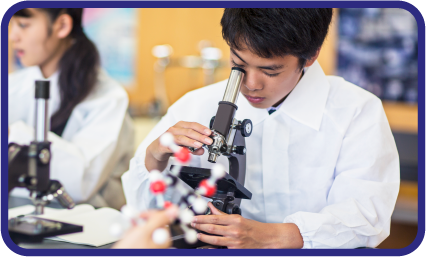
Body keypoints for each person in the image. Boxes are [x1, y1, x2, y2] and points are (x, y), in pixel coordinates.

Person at [122, 8, 399, 248]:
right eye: (238, 64)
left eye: (270, 71)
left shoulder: (356, 111)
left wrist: (277, 236)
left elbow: (367, 217)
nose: (251, 84)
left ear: (311, 55)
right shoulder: (196, 104)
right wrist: (154, 158)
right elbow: (144, 211)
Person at [8, 8, 134, 209]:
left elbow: (82, 181)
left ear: (62, 26)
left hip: (89, 228)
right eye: (11, 24)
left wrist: (10, 134)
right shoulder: (13, 85)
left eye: (23, 25)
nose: (13, 36)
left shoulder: (108, 97)